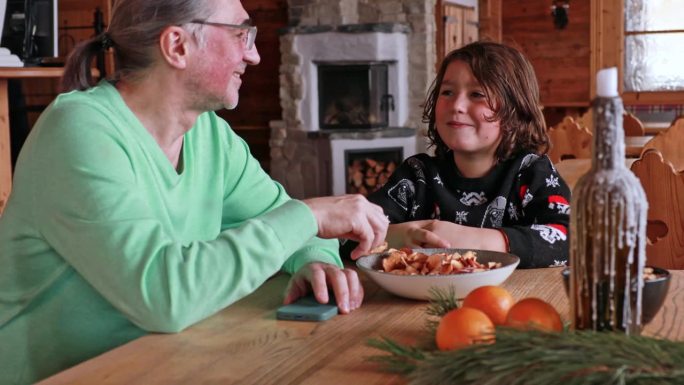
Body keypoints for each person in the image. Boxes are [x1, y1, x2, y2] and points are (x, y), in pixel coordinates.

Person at [0, 0, 388, 383]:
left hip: (164, 363)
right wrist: (311, 217)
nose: (252, 54)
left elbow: (281, 218)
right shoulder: (80, 132)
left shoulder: (209, 134)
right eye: (241, 34)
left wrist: (312, 262)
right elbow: (165, 296)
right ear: (177, 46)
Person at [365, 41, 570, 268]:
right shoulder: (416, 176)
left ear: (515, 109)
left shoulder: (532, 171)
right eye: (447, 92)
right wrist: (406, 236)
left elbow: (571, 239)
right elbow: (348, 233)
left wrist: (471, 239)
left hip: (510, 299)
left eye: (477, 94)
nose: (457, 105)